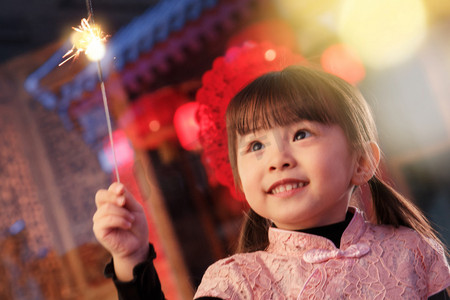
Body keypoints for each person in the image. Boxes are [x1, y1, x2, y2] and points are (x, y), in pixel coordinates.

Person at [93, 65, 450, 299]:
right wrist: (132, 258)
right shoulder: (237, 284)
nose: (278, 159)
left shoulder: (414, 253)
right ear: (240, 181)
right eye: (256, 145)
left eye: (301, 134)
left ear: (361, 161)